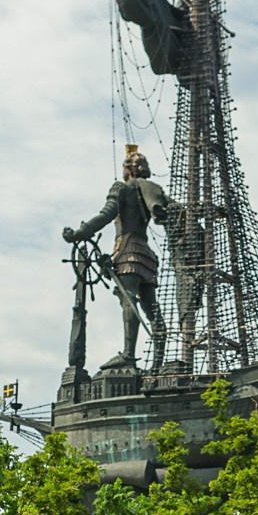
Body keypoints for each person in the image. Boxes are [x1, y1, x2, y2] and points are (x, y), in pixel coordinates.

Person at [62, 148, 166, 370]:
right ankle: (158, 362)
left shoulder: (122, 188)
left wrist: (79, 234)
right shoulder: (149, 190)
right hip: (145, 253)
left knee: (128, 299)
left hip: (127, 251)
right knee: (151, 308)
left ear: (127, 169)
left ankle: (129, 355)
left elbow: (105, 216)